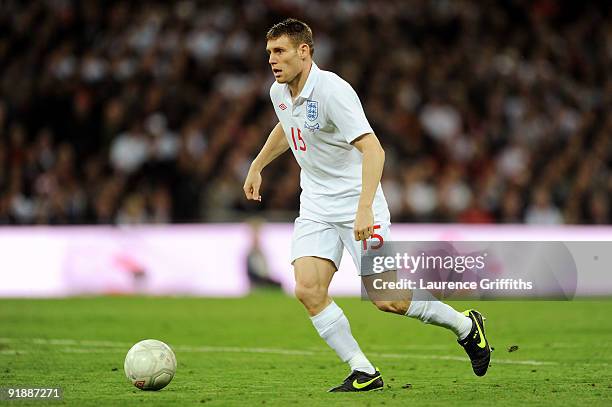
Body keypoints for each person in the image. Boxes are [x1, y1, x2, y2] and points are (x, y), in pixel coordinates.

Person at [243, 18, 490, 392]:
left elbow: (373, 148)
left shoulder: (333, 92)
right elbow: (286, 124)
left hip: (357, 203)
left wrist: (364, 209)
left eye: (280, 52)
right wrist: (258, 164)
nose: (272, 60)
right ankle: (363, 370)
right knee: (308, 290)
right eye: (269, 53)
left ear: (304, 51)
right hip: (315, 205)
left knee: (388, 299)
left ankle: (466, 326)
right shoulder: (279, 92)